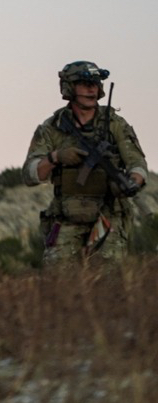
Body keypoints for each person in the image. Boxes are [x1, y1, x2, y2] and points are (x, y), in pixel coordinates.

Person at [22, 61, 147, 265]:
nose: (91, 89)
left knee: (109, 282)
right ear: (70, 88)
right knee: (60, 284)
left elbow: (137, 163)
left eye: (95, 84)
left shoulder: (115, 124)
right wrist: (56, 157)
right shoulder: (52, 128)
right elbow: (29, 174)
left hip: (108, 216)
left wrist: (131, 181)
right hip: (66, 216)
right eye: (84, 83)